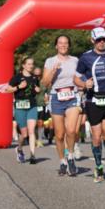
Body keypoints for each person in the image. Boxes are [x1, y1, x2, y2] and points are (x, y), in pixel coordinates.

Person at [75, 27, 105, 183]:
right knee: (96, 136)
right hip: (93, 100)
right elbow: (75, 78)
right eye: (98, 40)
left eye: (104, 39)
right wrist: (83, 83)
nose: (102, 43)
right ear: (92, 40)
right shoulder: (85, 58)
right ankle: (99, 167)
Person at [40, 35, 81, 176]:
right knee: (59, 134)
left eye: (65, 43)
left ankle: (70, 156)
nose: (63, 45)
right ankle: (62, 161)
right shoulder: (50, 61)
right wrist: (53, 70)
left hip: (72, 96)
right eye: (60, 43)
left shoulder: (75, 60)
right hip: (56, 97)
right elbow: (45, 83)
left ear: (68, 45)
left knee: (71, 131)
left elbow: (80, 78)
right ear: (56, 46)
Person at [6, 56, 41, 164]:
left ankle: (32, 155)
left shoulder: (35, 78)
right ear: (24, 65)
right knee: (24, 134)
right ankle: (19, 149)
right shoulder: (17, 77)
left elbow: (37, 90)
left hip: (32, 106)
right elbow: (7, 89)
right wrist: (18, 87)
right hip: (20, 106)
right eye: (29, 64)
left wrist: (38, 90)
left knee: (31, 131)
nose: (31, 66)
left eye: (32, 64)